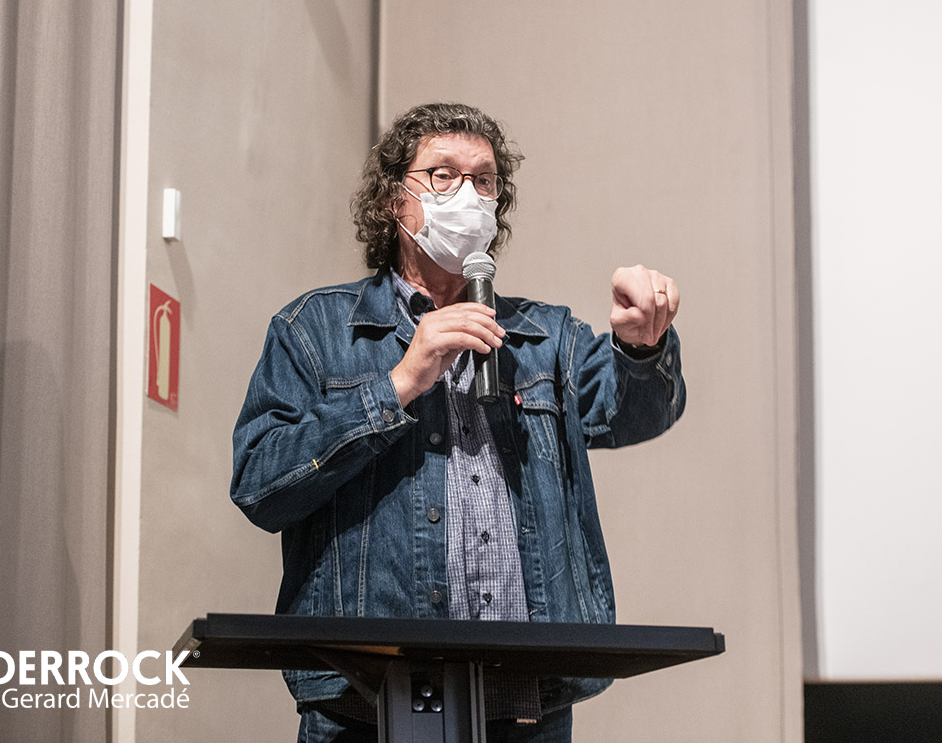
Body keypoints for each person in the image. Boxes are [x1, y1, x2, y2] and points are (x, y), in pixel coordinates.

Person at [231, 103, 684, 742]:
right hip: (364, 705)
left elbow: (634, 413)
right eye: (443, 175)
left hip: (525, 707)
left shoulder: (544, 336)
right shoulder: (315, 330)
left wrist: (641, 345)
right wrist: (397, 385)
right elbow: (259, 484)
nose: (468, 195)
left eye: (485, 180)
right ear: (393, 200)